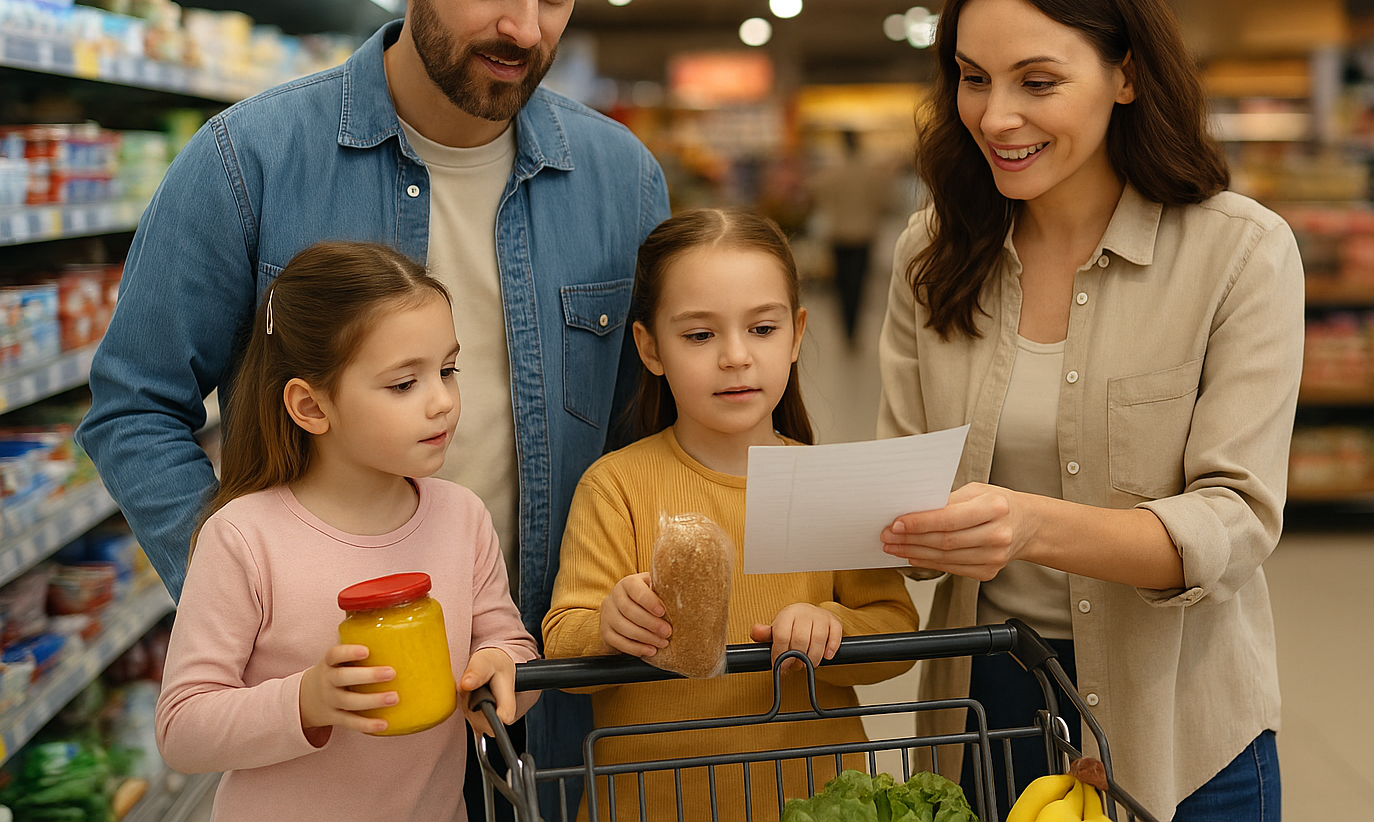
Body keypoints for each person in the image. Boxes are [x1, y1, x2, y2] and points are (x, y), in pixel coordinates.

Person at [76, 0, 668, 804]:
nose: (525, 26)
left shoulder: (624, 179)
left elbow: (644, 425)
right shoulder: (246, 165)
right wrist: (256, 598)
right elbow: (134, 404)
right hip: (343, 721)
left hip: (552, 691)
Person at [875, 0, 1301, 821]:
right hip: (978, 710)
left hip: (1180, 721)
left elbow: (1235, 520)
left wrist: (1027, 526)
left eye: (1039, 82)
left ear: (1127, 74)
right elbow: (899, 482)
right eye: (973, 78)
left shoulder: (1239, 253)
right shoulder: (933, 253)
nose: (997, 117)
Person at [543, 208, 919, 821]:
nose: (736, 357)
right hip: (649, 805)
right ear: (650, 347)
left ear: (797, 335)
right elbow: (565, 649)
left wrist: (833, 624)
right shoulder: (617, 485)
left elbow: (898, 635)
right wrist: (610, 624)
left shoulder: (827, 484)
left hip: (813, 803)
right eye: (699, 335)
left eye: (762, 330)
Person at [155, 241, 540, 822]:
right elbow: (182, 728)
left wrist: (501, 674)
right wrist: (306, 700)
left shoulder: (462, 517)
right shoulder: (242, 537)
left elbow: (510, 649)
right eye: (404, 384)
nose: (443, 402)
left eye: (448, 370)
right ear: (311, 407)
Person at [811, 129, 893, 343]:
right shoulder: (872, 174)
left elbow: (818, 194)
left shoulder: (833, 173)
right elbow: (884, 201)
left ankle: (846, 326)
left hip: (838, 234)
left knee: (841, 283)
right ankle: (854, 327)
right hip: (865, 234)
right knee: (859, 282)